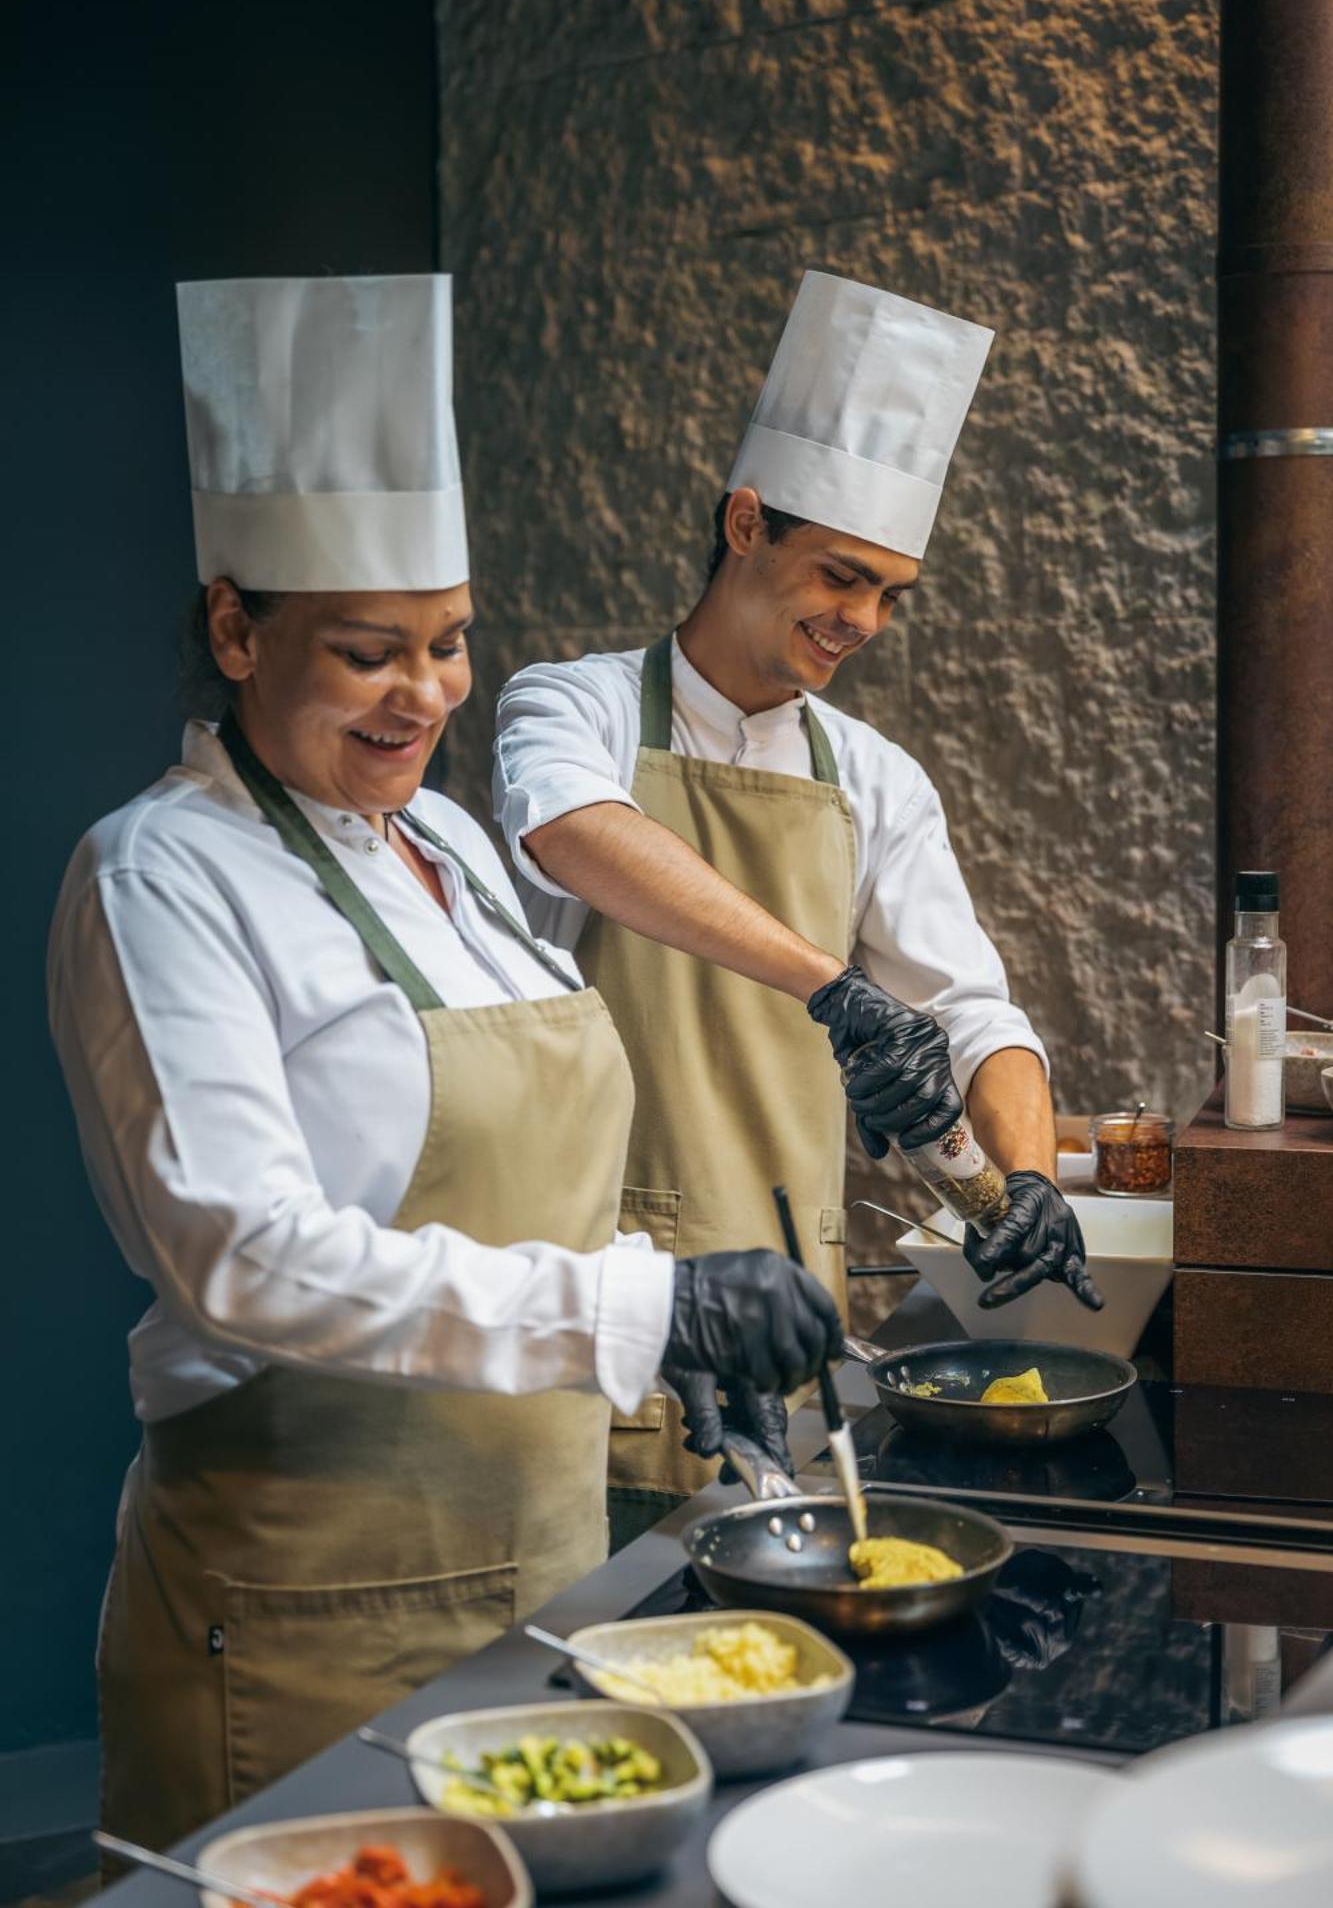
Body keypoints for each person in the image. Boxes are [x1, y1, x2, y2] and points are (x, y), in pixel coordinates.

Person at [48, 273, 841, 1851]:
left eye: (451, 646)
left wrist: (665, 1324)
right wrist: (638, 1299)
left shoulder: (459, 848)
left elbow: (525, 1183)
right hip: (305, 1609)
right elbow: (241, 1257)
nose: (424, 697)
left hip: (540, 1573)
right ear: (234, 627)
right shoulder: (159, 874)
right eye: (366, 654)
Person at [494, 270, 1100, 1547]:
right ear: (744, 518)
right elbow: (574, 831)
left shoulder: (875, 777)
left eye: (890, 593)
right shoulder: (575, 704)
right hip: (602, 1291)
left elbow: (974, 1008)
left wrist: (1030, 1175)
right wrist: (834, 986)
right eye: (841, 575)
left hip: (789, 1301)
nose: (864, 620)